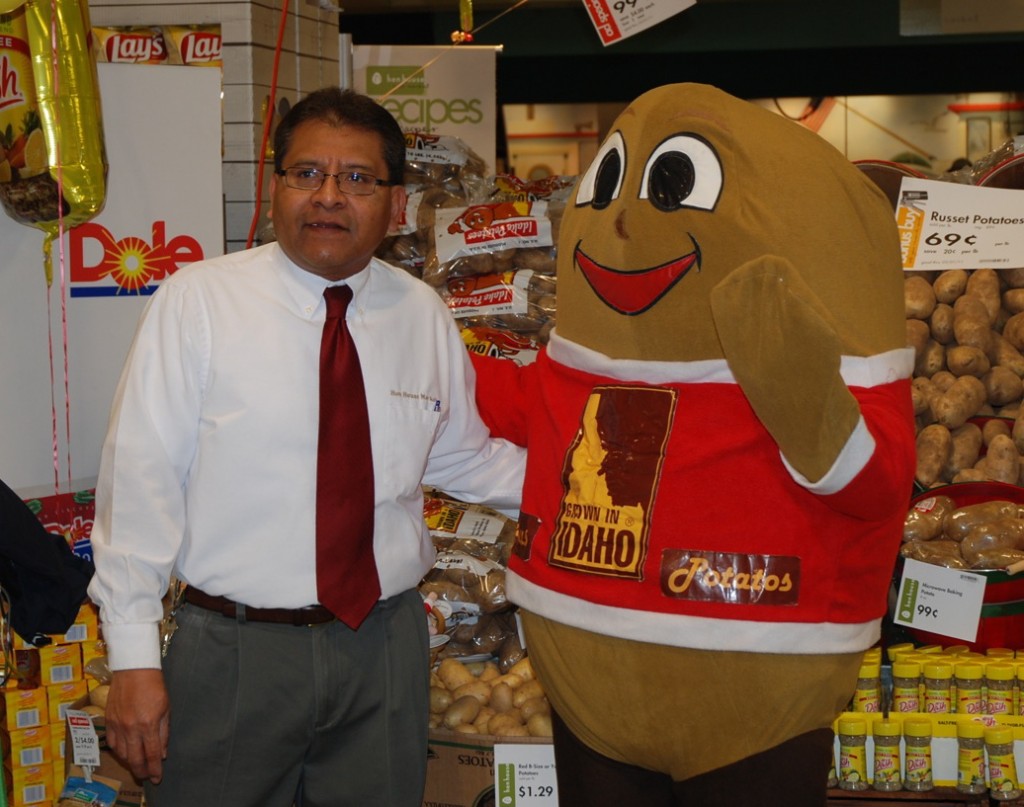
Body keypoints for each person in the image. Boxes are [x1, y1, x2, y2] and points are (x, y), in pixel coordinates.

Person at [87, 86, 525, 807]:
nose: (328, 196)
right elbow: (141, 479)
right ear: (276, 186)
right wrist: (132, 657)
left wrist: (576, 492)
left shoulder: (421, 314)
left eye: (356, 178)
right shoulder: (198, 302)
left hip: (382, 647)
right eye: (306, 173)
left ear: (394, 204)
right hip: (232, 649)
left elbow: (461, 454)